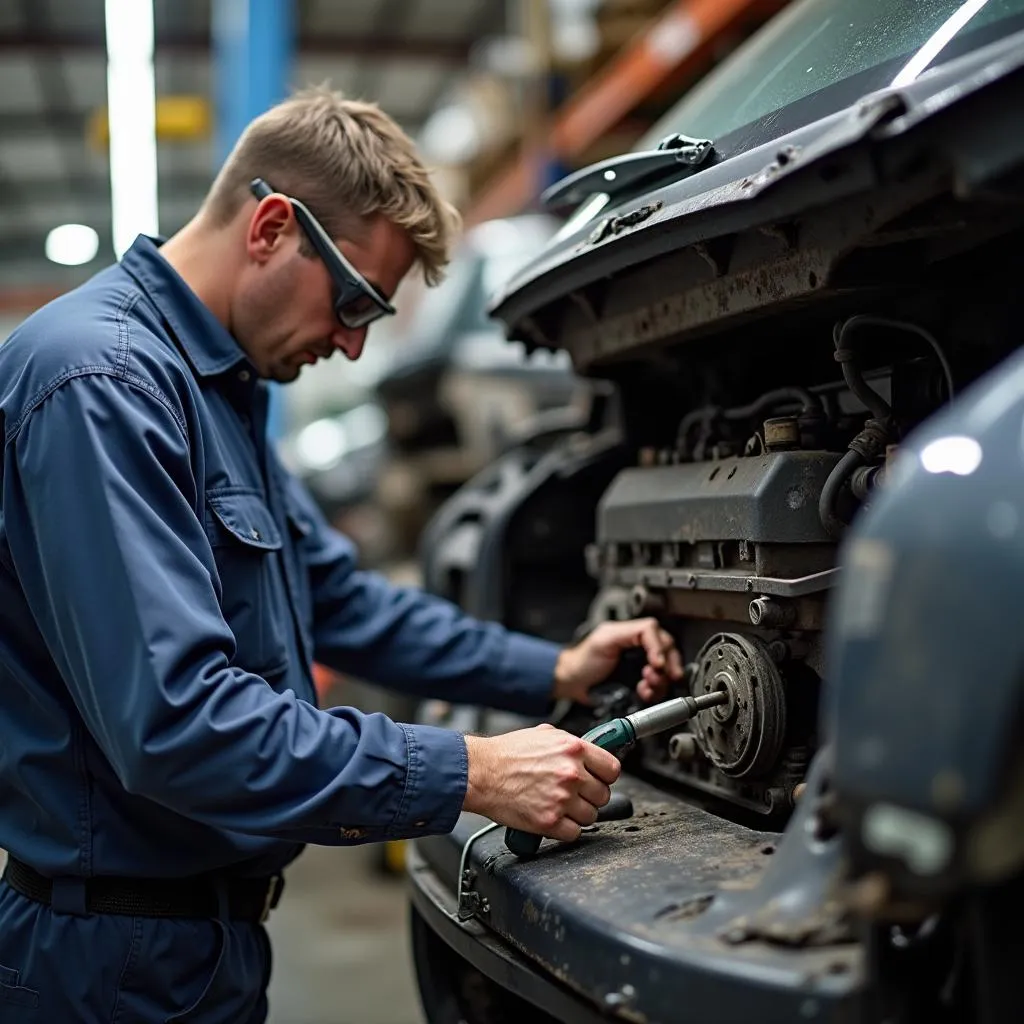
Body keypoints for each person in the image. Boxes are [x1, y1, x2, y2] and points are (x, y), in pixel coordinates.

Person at [0, 87, 683, 1023]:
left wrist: (554, 665)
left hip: (201, 947)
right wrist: (471, 772)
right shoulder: (102, 382)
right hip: (108, 966)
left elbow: (345, 602)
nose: (357, 345)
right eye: (356, 299)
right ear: (272, 226)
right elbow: (179, 725)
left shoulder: (219, 392)